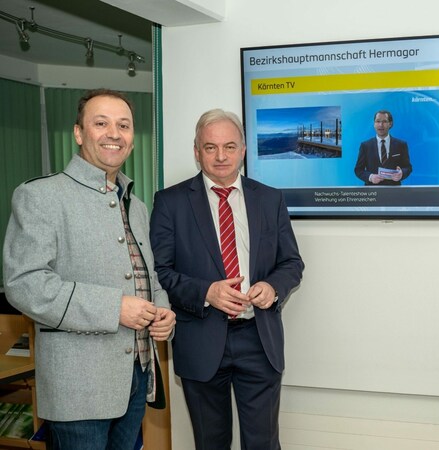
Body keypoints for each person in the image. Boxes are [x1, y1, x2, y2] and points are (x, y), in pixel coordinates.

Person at [2, 88, 176, 450]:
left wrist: (164, 310)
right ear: (79, 133)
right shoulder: (41, 196)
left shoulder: (137, 205)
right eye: (101, 123)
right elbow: (24, 284)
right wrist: (114, 308)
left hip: (136, 374)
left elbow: (147, 276)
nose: (115, 133)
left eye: (124, 125)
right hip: (77, 388)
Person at [149, 109, 304, 449]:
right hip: (200, 341)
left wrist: (272, 287)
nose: (221, 156)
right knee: (211, 443)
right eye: (210, 147)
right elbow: (160, 273)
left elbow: (291, 262)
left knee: (262, 443)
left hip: (258, 340)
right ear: (196, 151)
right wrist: (207, 292)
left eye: (230, 147)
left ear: (243, 150)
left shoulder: (269, 198)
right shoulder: (169, 203)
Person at [353, 110, 412, 185]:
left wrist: (401, 173)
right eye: (377, 121)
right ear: (374, 124)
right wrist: (370, 177)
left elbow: (408, 167)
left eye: (384, 121)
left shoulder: (401, 145)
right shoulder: (365, 146)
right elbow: (358, 170)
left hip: (394, 191)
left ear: (390, 124)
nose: (381, 125)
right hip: (372, 193)